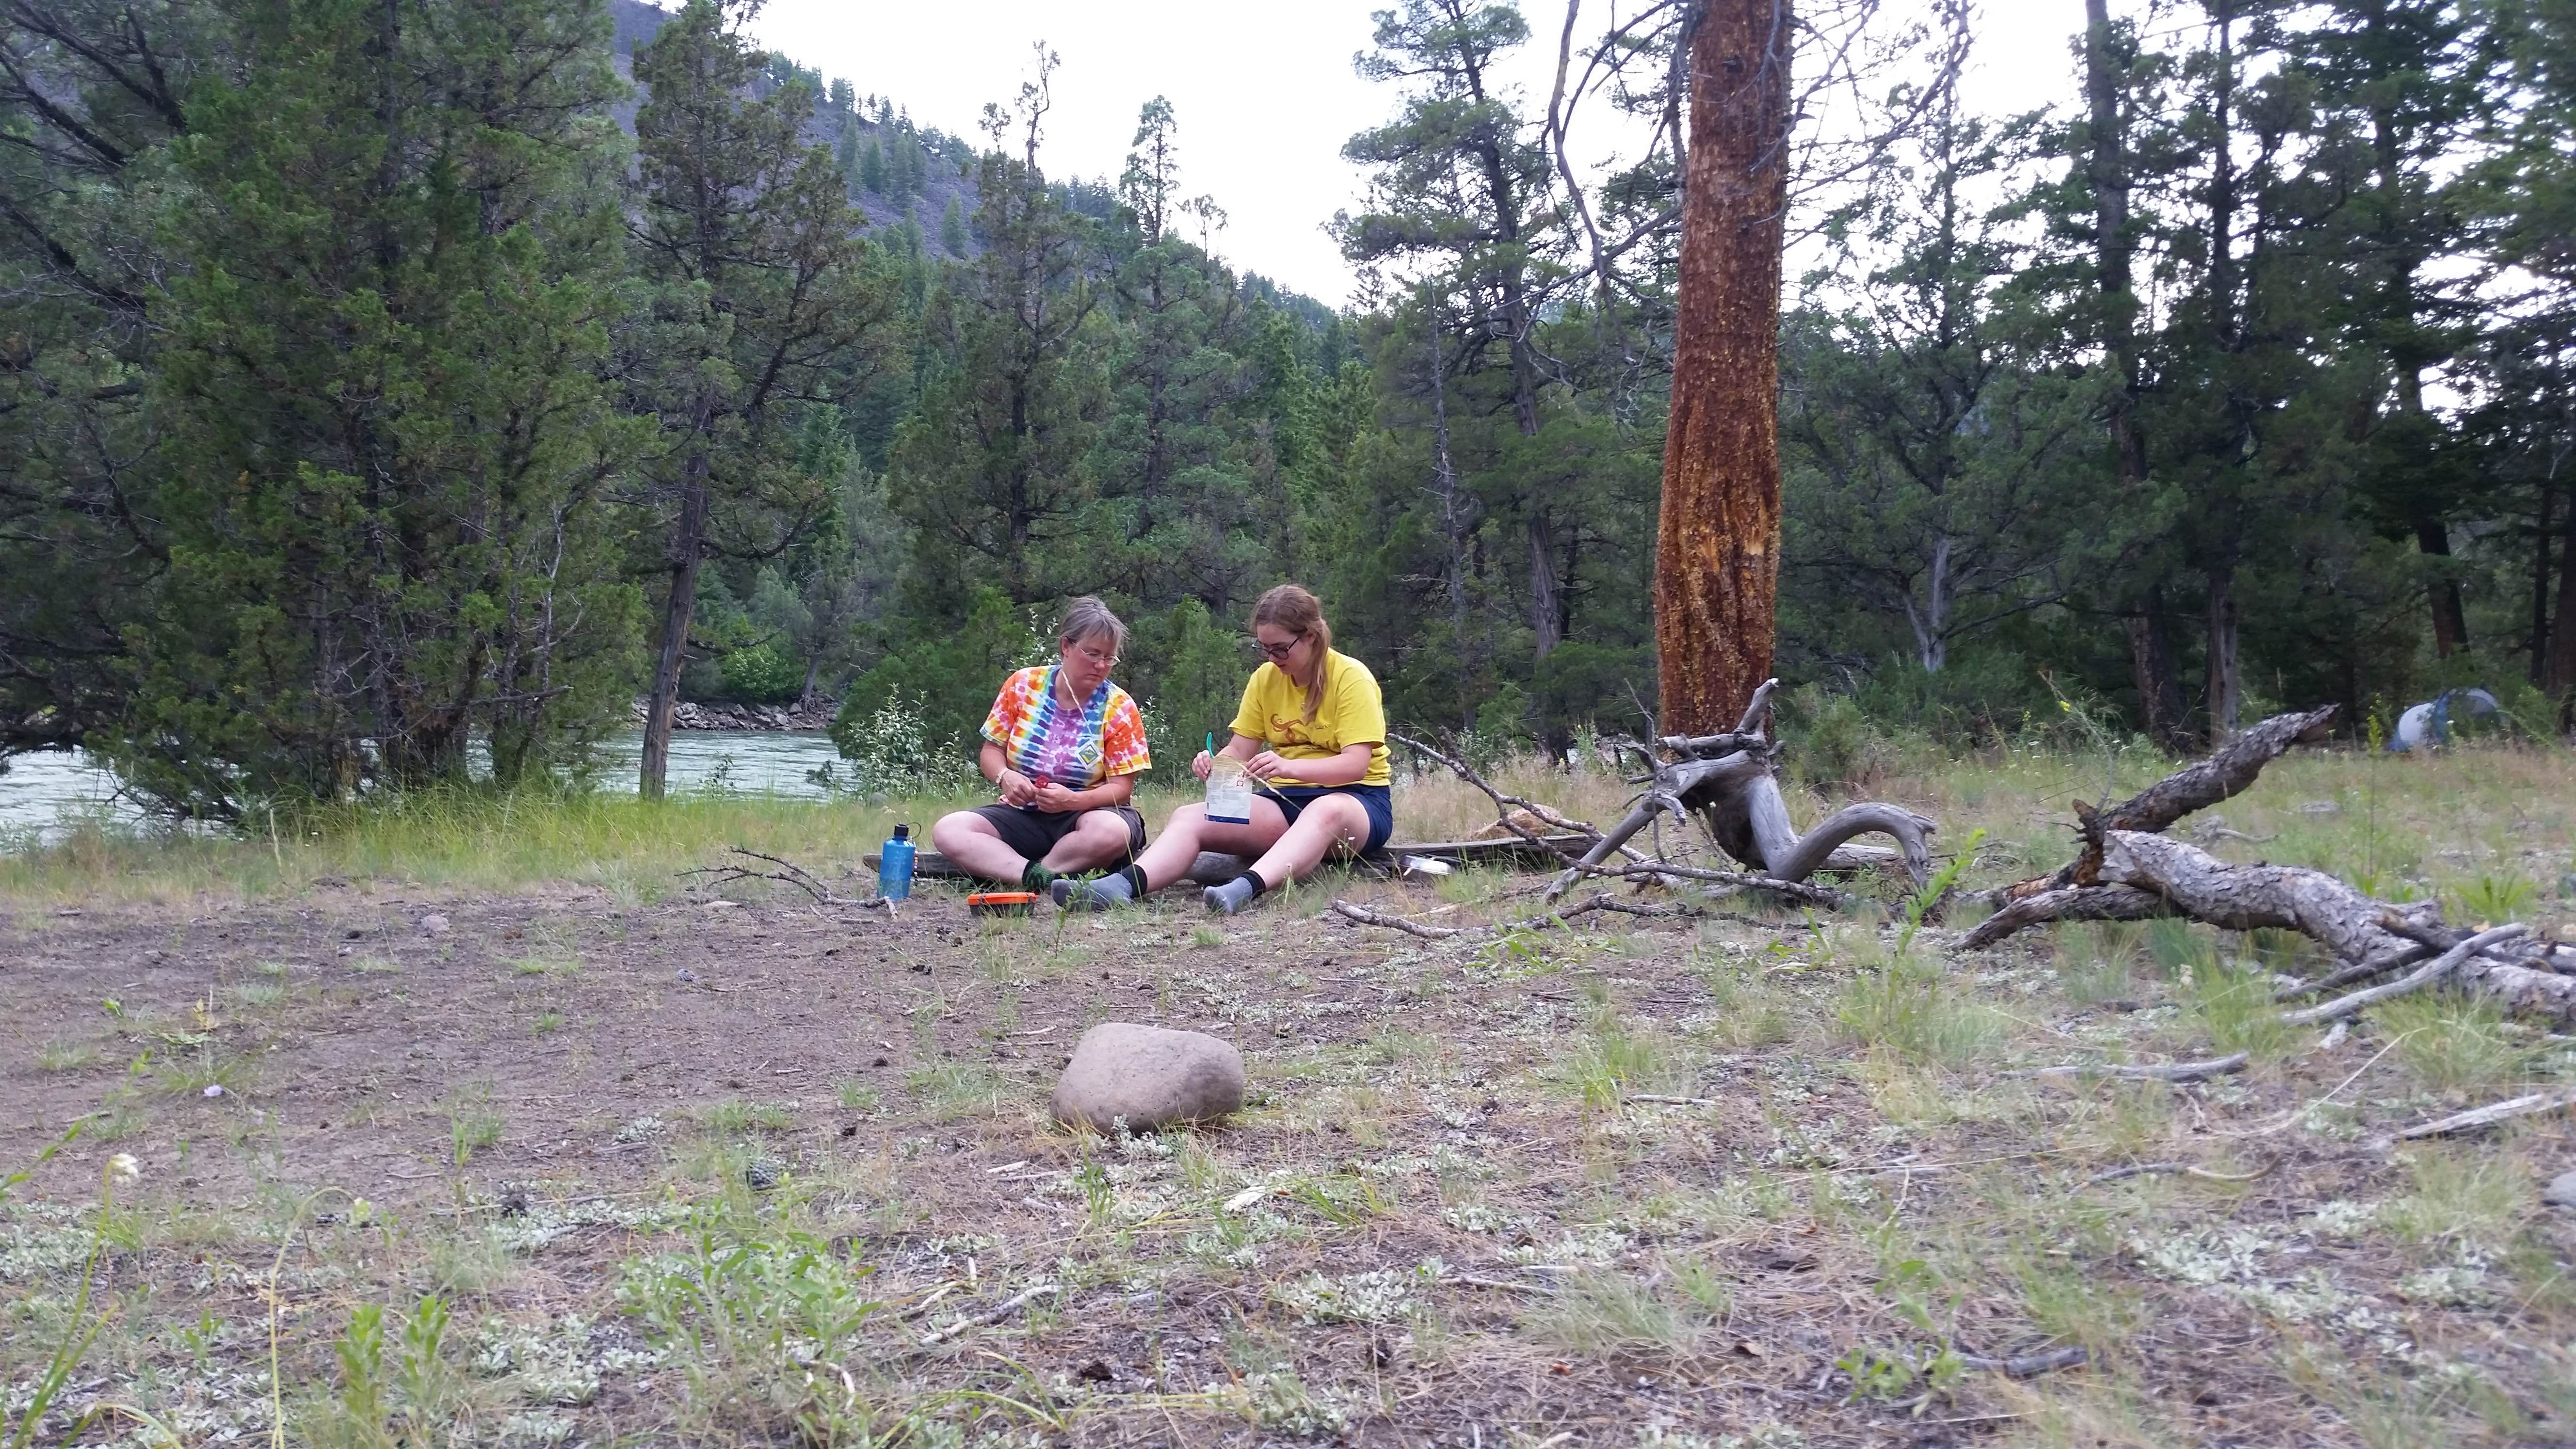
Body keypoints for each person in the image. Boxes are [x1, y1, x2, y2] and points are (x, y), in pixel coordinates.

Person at [1055, 584, 1391, 916]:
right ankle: (1120, 887)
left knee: (1324, 811)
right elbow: (1240, 748)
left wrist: (1290, 768)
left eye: (1280, 649)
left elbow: (1356, 765)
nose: (1272, 658)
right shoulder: (1265, 679)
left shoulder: (1351, 678)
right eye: (1264, 649)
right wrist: (1218, 765)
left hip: (1357, 802)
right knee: (1189, 816)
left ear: (1310, 638)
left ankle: (1243, 889)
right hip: (1290, 799)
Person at [930, 598, 1151, 893]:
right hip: (1023, 814)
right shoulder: (1023, 685)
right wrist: (1005, 777)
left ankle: (1033, 870)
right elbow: (991, 751)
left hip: (1088, 815)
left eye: (1109, 658)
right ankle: (1037, 877)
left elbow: (1122, 789)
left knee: (1111, 832)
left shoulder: (1120, 707)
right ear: (1066, 647)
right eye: (1092, 654)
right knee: (949, 829)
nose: (1100, 666)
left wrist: (1072, 801)